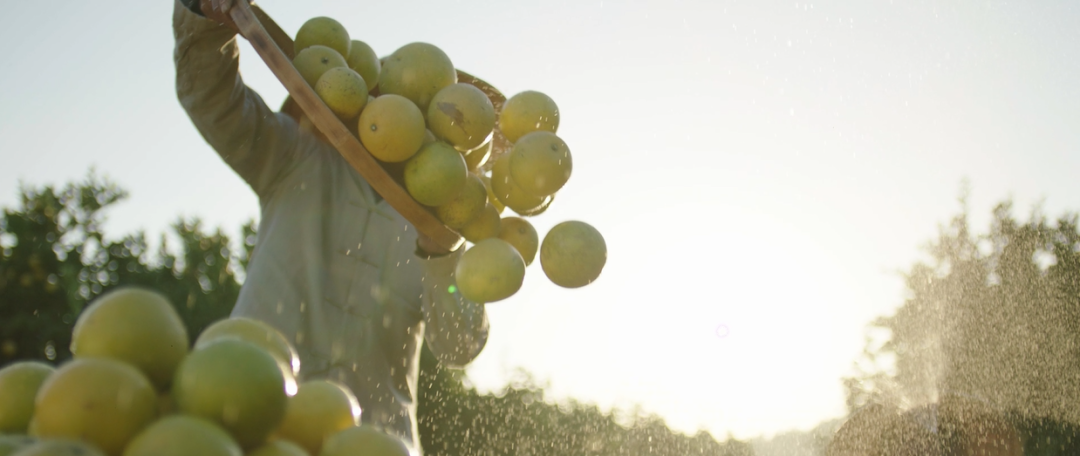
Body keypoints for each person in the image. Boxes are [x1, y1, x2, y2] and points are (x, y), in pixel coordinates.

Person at [172, 0, 490, 452]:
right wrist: (202, 17)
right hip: (245, 420)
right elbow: (213, 101)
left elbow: (460, 346)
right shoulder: (295, 160)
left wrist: (442, 257)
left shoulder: (445, 239)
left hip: (377, 444)